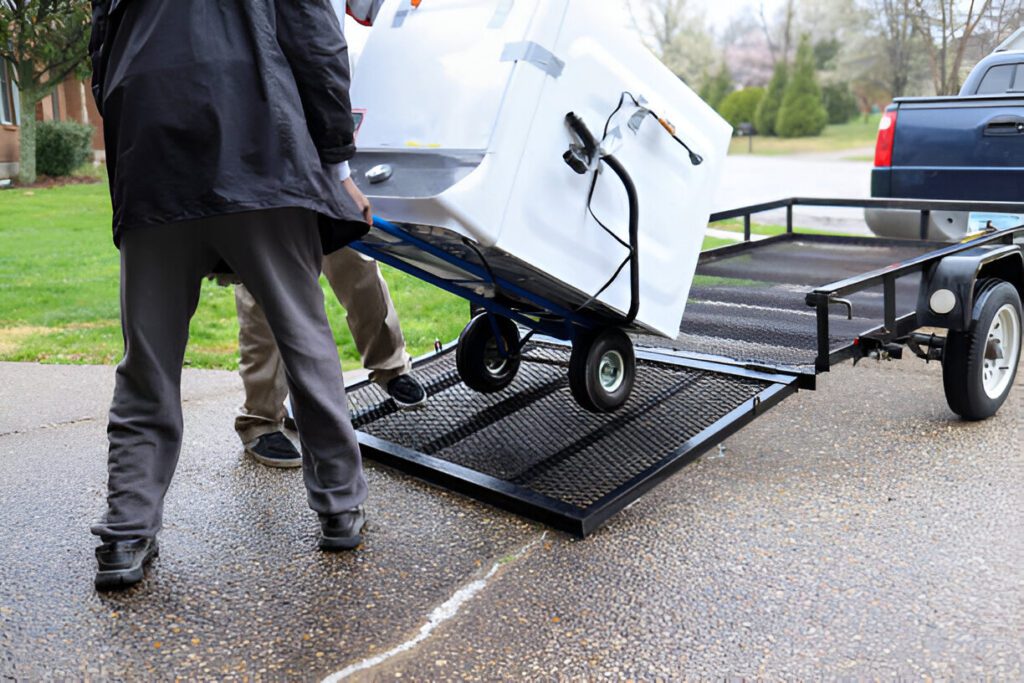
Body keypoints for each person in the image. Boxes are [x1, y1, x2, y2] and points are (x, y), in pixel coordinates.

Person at [89, 0, 373, 591]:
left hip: (154, 151)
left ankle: (126, 531)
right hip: (260, 141)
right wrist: (337, 161)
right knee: (303, 339)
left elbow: (102, 50)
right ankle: (340, 507)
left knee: (148, 359)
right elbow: (317, 41)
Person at [234, 0, 427, 470]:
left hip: (325, 132)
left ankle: (389, 365)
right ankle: (260, 418)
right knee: (263, 285)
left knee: (353, 259)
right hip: (256, 127)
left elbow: (374, 10)